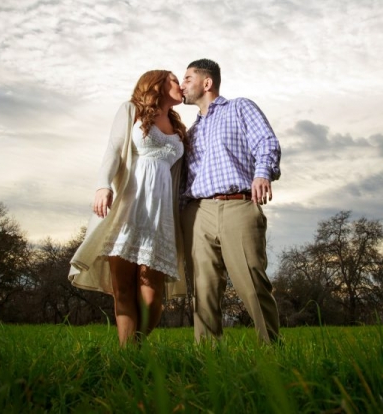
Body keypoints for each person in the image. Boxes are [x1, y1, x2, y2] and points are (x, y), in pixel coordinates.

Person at [69, 70, 188, 346]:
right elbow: (113, 149)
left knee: (152, 298)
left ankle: (133, 346)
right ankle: (127, 357)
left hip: (161, 216)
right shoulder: (131, 110)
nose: (179, 84)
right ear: (157, 83)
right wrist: (103, 185)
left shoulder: (178, 126)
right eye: (173, 79)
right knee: (122, 290)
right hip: (128, 209)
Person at [180, 58, 281, 344]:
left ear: (207, 83)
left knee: (252, 282)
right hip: (198, 212)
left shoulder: (239, 107)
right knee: (204, 289)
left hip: (238, 204)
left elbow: (266, 142)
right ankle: (208, 361)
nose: (182, 84)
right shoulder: (191, 132)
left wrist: (262, 174)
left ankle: (273, 351)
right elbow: (184, 180)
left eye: (187, 79)